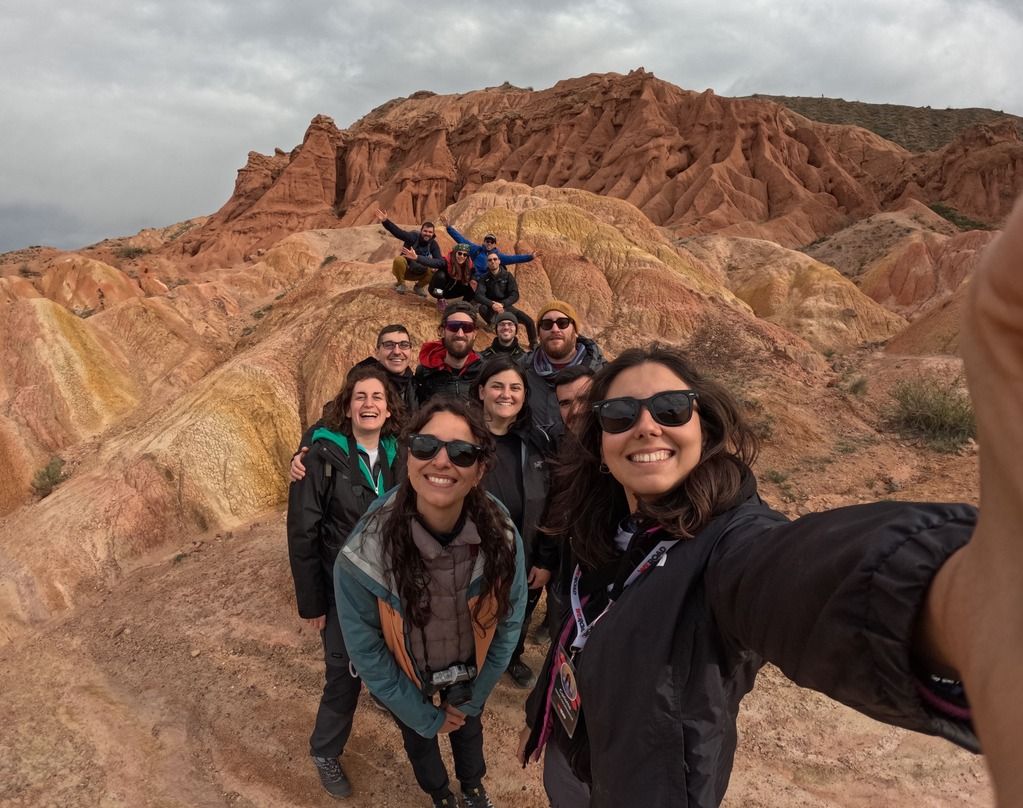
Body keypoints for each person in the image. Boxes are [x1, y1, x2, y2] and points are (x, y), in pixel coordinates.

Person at [514, 319, 1008, 805]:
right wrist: (543, 719)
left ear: (704, 430)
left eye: (671, 409)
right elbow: (572, 637)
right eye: (620, 415)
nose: (646, 426)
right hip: (573, 755)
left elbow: (801, 576)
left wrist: (959, 598)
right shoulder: (599, 527)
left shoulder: (729, 543)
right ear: (600, 443)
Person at [334, 398, 527, 808]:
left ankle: (472, 786)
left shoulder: (501, 536)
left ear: (480, 469)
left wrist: (477, 695)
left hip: (468, 675)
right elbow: (365, 650)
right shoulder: (366, 551)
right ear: (408, 457)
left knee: (468, 731)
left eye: (461, 453)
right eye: (426, 446)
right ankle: (440, 794)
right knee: (420, 740)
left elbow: (509, 621)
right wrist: (423, 716)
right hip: (410, 680)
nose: (441, 461)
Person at [286, 365, 404, 799]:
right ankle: (325, 750)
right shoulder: (320, 458)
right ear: (347, 407)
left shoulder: (401, 452)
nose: (369, 404)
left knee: (393, 656)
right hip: (343, 591)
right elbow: (302, 533)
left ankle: (385, 695)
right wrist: (313, 603)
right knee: (343, 675)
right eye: (360, 397)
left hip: (390, 587)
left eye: (377, 397)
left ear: (389, 409)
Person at [470, 356, 557, 688]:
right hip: (471, 554)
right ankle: (470, 663)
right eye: (497, 386)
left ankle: (512, 657)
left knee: (518, 612)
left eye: (515, 388)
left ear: (524, 395)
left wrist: (545, 559)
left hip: (525, 551)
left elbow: (551, 504)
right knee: (470, 612)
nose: (506, 394)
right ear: (481, 391)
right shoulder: (464, 438)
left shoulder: (536, 442)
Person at [290, 324, 415, 482]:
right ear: (377, 351)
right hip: (360, 469)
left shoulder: (417, 385)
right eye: (389, 345)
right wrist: (302, 453)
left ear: (410, 350)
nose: (397, 351)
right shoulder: (360, 382)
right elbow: (329, 421)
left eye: (403, 345)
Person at [521, 301, 605, 436]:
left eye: (563, 323)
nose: (555, 329)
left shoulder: (602, 374)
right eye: (547, 324)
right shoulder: (521, 371)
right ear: (539, 334)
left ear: (575, 331)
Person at [415, 302, 484, 405]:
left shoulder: (485, 371)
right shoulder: (425, 372)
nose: (460, 334)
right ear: (442, 331)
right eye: (453, 326)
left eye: (467, 327)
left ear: (474, 333)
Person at [376, 208, 446, 297]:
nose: (427, 234)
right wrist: (386, 221)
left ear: (433, 234)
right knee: (399, 260)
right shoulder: (413, 237)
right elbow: (399, 233)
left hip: (421, 271)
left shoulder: (433, 244)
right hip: (406, 270)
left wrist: (422, 260)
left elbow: (440, 261)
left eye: (430, 232)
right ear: (421, 231)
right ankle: (401, 284)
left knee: (435, 270)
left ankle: (419, 287)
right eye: (425, 231)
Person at [474, 253, 538, 349]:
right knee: (482, 308)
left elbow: (515, 294)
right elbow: (478, 295)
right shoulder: (484, 278)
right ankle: (492, 323)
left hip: (506, 306)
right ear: (487, 263)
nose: (492, 262)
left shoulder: (507, 276)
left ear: (499, 261)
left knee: (528, 321)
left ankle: (534, 343)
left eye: (495, 259)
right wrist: (492, 304)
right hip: (491, 307)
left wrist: (503, 304)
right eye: (490, 260)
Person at [443, 220, 539, 280]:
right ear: (484, 242)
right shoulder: (476, 250)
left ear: (494, 244)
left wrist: (530, 257)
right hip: (472, 278)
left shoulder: (497, 257)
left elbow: (514, 258)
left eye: (492, 242)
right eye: (487, 241)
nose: (489, 243)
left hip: (486, 282)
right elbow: (461, 240)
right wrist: (449, 228)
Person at [429, 243, 478, 311]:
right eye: (460, 253)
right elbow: (431, 262)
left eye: (465, 255)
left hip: (449, 291)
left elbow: (474, 274)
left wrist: (473, 280)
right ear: (455, 253)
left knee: (473, 285)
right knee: (441, 276)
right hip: (435, 290)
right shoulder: (445, 262)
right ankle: (441, 300)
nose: (462, 256)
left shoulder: (468, 265)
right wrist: (417, 257)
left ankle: (463, 306)